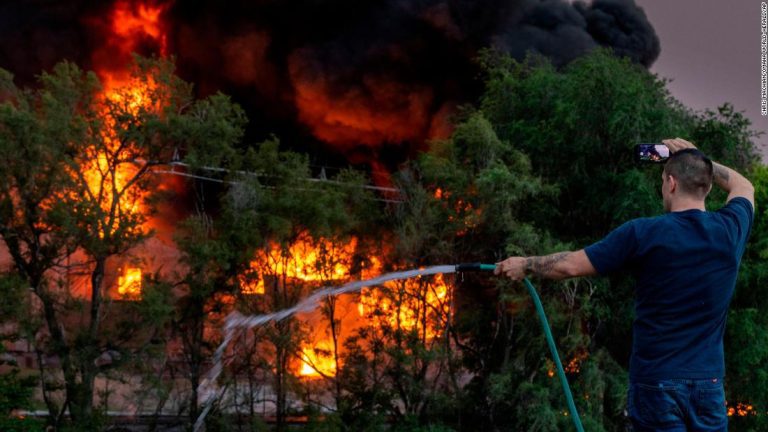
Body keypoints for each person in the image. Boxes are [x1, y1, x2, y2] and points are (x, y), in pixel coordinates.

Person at [495, 138, 754, 431]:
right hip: (708, 385)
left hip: (656, 383)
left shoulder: (643, 233)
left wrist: (525, 264)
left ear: (670, 183)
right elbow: (744, 186)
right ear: (706, 187)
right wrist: (700, 158)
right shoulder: (731, 230)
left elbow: (570, 265)